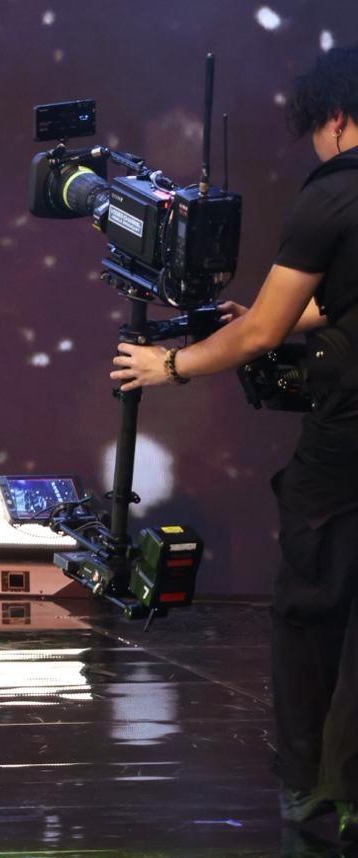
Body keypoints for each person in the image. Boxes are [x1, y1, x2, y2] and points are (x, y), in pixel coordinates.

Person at [112, 46, 358, 845]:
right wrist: (276, 315)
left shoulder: (334, 193)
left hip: (345, 438)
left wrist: (168, 366)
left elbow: (257, 335)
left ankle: (307, 786)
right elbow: (334, 299)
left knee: (311, 605)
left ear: (336, 117)